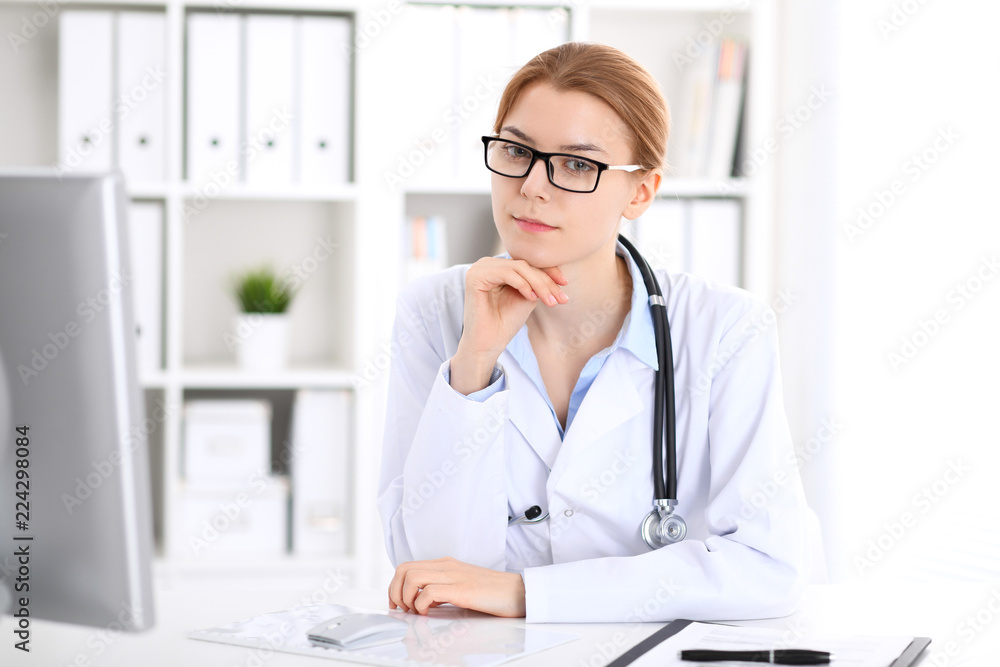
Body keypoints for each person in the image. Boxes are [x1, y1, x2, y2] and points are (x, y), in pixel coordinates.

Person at [377, 42, 819, 623]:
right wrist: (474, 363)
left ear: (640, 191)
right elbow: (428, 572)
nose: (533, 186)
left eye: (577, 165)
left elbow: (771, 567)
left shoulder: (725, 329)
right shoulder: (433, 311)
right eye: (517, 151)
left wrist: (528, 595)